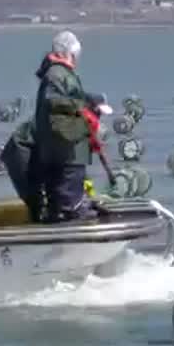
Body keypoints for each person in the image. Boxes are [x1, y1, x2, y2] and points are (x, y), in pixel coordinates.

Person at [29, 30, 112, 223]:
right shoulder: (57, 74)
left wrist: (90, 100)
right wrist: (85, 106)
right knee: (67, 185)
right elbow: (57, 101)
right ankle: (70, 212)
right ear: (69, 53)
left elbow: (68, 98)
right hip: (65, 144)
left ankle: (67, 209)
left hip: (61, 143)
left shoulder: (58, 74)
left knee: (63, 186)